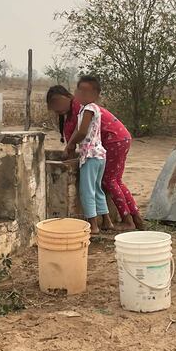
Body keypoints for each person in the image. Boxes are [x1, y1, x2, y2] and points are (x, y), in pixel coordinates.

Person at [46, 77, 145, 230]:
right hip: (117, 138)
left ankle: (126, 220)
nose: (58, 109)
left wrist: (70, 147)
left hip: (112, 140)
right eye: (54, 106)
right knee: (114, 181)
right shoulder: (76, 110)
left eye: (59, 103)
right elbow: (73, 136)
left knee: (108, 181)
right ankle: (134, 218)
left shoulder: (82, 107)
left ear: (70, 97)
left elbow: (79, 133)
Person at [61, 79, 114, 235]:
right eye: (80, 90)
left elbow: (82, 132)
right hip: (99, 155)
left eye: (87, 91)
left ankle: (93, 225)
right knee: (97, 189)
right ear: (76, 92)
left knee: (87, 190)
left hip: (90, 155)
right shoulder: (94, 108)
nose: (83, 94)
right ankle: (106, 221)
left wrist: (70, 144)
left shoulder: (88, 109)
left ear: (96, 95)